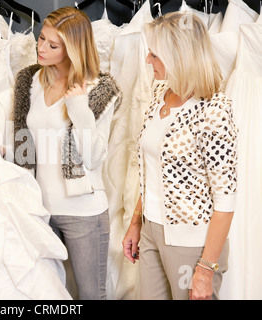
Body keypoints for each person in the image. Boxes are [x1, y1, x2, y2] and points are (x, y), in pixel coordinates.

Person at [0, 6, 122, 300]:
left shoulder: (101, 88)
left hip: (84, 214)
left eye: (52, 45)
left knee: (90, 295)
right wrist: (6, 153)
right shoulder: (30, 81)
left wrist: (79, 107)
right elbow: (28, 144)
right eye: (41, 40)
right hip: (40, 210)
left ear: (74, 49)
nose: (41, 48)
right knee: (47, 295)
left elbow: (92, 158)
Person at [122, 11, 238, 300]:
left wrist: (206, 269)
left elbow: (226, 200)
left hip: (192, 243)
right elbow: (153, 170)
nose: (148, 60)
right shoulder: (160, 93)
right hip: (151, 231)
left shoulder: (214, 110)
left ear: (179, 56)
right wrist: (136, 223)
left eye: (155, 55)